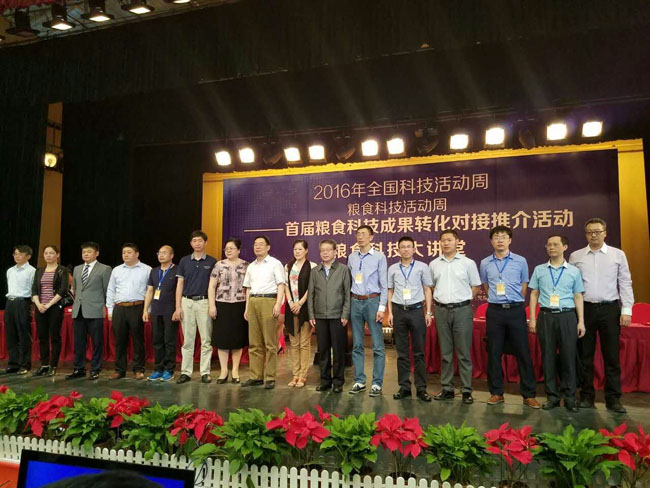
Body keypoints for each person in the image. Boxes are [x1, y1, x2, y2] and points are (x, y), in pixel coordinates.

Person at [569, 217, 634, 414]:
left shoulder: (617, 255)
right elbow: (571, 286)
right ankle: (586, 397)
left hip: (610, 309)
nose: (593, 235)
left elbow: (625, 282)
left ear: (605, 233)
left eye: (597, 232)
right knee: (585, 356)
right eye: (590, 232)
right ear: (586, 234)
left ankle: (613, 399)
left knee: (611, 357)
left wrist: (626, 310)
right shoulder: (576, 256)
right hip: (585, 310)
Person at [479, 226, 540, 409]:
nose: (500, 240)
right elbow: (486, 286)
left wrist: (512, 300)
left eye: (503, 237)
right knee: (494, 352)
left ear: (510, 240)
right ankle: (496, 393)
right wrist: (497, 300)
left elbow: (524, 286)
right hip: (495, 312)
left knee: (523, 352)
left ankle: (528, 395)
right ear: (491, 241)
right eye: (496, 237)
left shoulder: (520, 261)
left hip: (515, 311)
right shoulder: (485, 263)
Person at [528, 235, 585, 412]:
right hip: (546, 316)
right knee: (548, 357)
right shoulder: (539, 269)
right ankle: (552, 396)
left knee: (569, 357)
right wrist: (533, 318)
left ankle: (569, 397)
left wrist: (581, 321)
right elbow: (534, 294)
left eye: (555, 244)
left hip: (567, 316)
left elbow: (578, 296)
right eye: (549, 245)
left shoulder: (574, 271)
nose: (551, 247)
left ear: (565, 247)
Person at [429, 230, 481, 404]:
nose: (446, 243)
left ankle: (466, 390)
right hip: (441, 310)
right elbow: (431, 286)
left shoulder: (468, 263)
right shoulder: (434, 264)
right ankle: (447, 388)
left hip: (462, 311)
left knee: (464, 352)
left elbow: (476, 285)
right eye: (443, 240)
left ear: (457, 242)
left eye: (449, 240)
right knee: (445, 352)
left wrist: (463, 298)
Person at [387, 236, 434, 402]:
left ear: (414, 249)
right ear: (398, 250)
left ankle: (421, 389)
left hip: (417, 311)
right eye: (403, 247)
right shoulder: (392, 268)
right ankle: (404, 387)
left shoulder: (422, 267)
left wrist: (428, 312)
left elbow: (427, 289)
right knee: (402, 353)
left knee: (419, 352)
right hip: (399, 311)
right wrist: (390, 313)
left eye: (409, 246)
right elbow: (390, 291)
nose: (406, 249)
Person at [347, 225, 388, 397]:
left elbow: (384, 284)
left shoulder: (379, 257)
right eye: (358, 234)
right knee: (357, 344)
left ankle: (377, 383)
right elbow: (349, 282)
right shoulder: (351, 257)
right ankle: (359, 381)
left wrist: (382, 308)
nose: (360, 237)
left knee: (377, 345)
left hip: (372, 301)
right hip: (355, 301)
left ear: (371, 237)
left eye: (364, 234)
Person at [242, 235, 285, 389]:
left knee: (270, 343)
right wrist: (247, 307)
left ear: (268, 247)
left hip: (269, 301)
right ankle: (256, 376)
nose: (257, 247)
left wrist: (278, 304)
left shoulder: (275, 263)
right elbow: (248, 288)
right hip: (253, 301)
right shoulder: (251, 266)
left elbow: (281, 285)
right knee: (254, 342)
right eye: (255, 244)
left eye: (261, 244)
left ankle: (270, 377)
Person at [174, 230, 217, 384]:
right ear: (191, 243)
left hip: (204, 302)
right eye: (194, 241)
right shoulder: (184, 261)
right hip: (187, 302)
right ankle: (186, 372)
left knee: (206, 339)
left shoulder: (212, 261)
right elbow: (180, 284)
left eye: (200, 241)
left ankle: (205, 372)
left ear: (205, 242)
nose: (197, 243)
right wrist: (178, 307)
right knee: (188, 340)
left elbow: (214, 286)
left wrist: (212, 305)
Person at [308, 239, 351, 393]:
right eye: (322, 250)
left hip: (337, 315)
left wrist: (345, 313)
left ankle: (338, 382)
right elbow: (311, 294)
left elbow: (347, 294)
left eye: (328, 250)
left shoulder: (343, 269)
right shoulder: (315, 271)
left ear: (335, 252)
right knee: (323, 351)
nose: (325, 253)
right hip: (320, 316)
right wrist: (311, 314)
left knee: (338, 351)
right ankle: (325, 380)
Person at [67, 242, 112, 380]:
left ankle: (95, 369)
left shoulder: (105, 269)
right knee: (79, 342)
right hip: (78, 309)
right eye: (84, 252)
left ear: (96, 253)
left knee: (97, 342)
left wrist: (107, 307)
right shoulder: (77, 269)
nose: (86, 254)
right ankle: (78, 368)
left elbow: (107, 290)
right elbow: (76, 288)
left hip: (96, 309)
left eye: (89, 251)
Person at [106, 243, 151, 380]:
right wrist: (110, 309)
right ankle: (119, 370)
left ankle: (138, 369)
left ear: (137, 254)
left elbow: (150, 291)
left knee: (138, 340)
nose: (126, 255)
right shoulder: (117, 270)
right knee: (119, 340)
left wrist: (147, 310)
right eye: (124, 252)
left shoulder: (146, 270)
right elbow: (111, 290)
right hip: (119, 308)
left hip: (137, 307)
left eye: (129, 252)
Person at [208, 238, 249, 384]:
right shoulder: (219, 265)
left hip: (239, 304)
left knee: (237, 339)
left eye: (232, 248)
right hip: (222, 304)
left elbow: (248, 288)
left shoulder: (246, 265)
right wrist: (212, 305)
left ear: (239, 250)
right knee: (223, 339)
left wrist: (247, 307)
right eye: (226, 248)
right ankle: (223, 371)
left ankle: (235, 371)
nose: (228, 251)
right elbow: (212, 286)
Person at [31, 245, 69, 377]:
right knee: (42, 337)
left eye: (51, 253)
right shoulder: (39, 271)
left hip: (54, 307)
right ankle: (44, 365)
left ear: (57, 255)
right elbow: (34, 289)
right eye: (46, 253)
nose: (48, 255)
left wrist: (48, 304)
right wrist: (38, 304)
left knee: (54, 336)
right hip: (40, 307)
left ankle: (53, 365)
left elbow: (63, 290)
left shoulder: (62, 270)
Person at [284, 239, 317, 388]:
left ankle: (303, 375)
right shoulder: (288, 266)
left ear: (306, 251)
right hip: (291, 308)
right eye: (295, 249)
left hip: (305, 307)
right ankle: (295, 374)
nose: (297, 252)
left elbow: (311, 287)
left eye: (300, 249)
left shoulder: (312, 266)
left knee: (304, 343)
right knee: (294, 343)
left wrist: (300, 303)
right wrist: (291, 302)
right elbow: (285, 285)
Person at [143, 245, 178, 382]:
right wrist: (146, 310)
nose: (161, 255)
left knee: (169, 341)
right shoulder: (154, 271)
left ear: (171, 255)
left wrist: (178, 309)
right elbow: (150, 291)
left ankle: (169, 369)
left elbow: (179, 291)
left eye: (164, 253)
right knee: (157, 341)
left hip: (170, 310)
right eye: (159, 253)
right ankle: (158, 369)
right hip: (156, 310)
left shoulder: (177, 270)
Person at [3, 245, 35, 375]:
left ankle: (24, 364)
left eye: (20, 254)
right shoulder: (10, 270)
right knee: (11, 334)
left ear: (28, 256)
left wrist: (32, 306)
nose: (17, 256)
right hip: (10, 303)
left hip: (23, 303)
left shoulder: (31, 271)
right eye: (15, 254)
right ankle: (13, 364)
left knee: (24, 334)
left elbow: (33, 290)